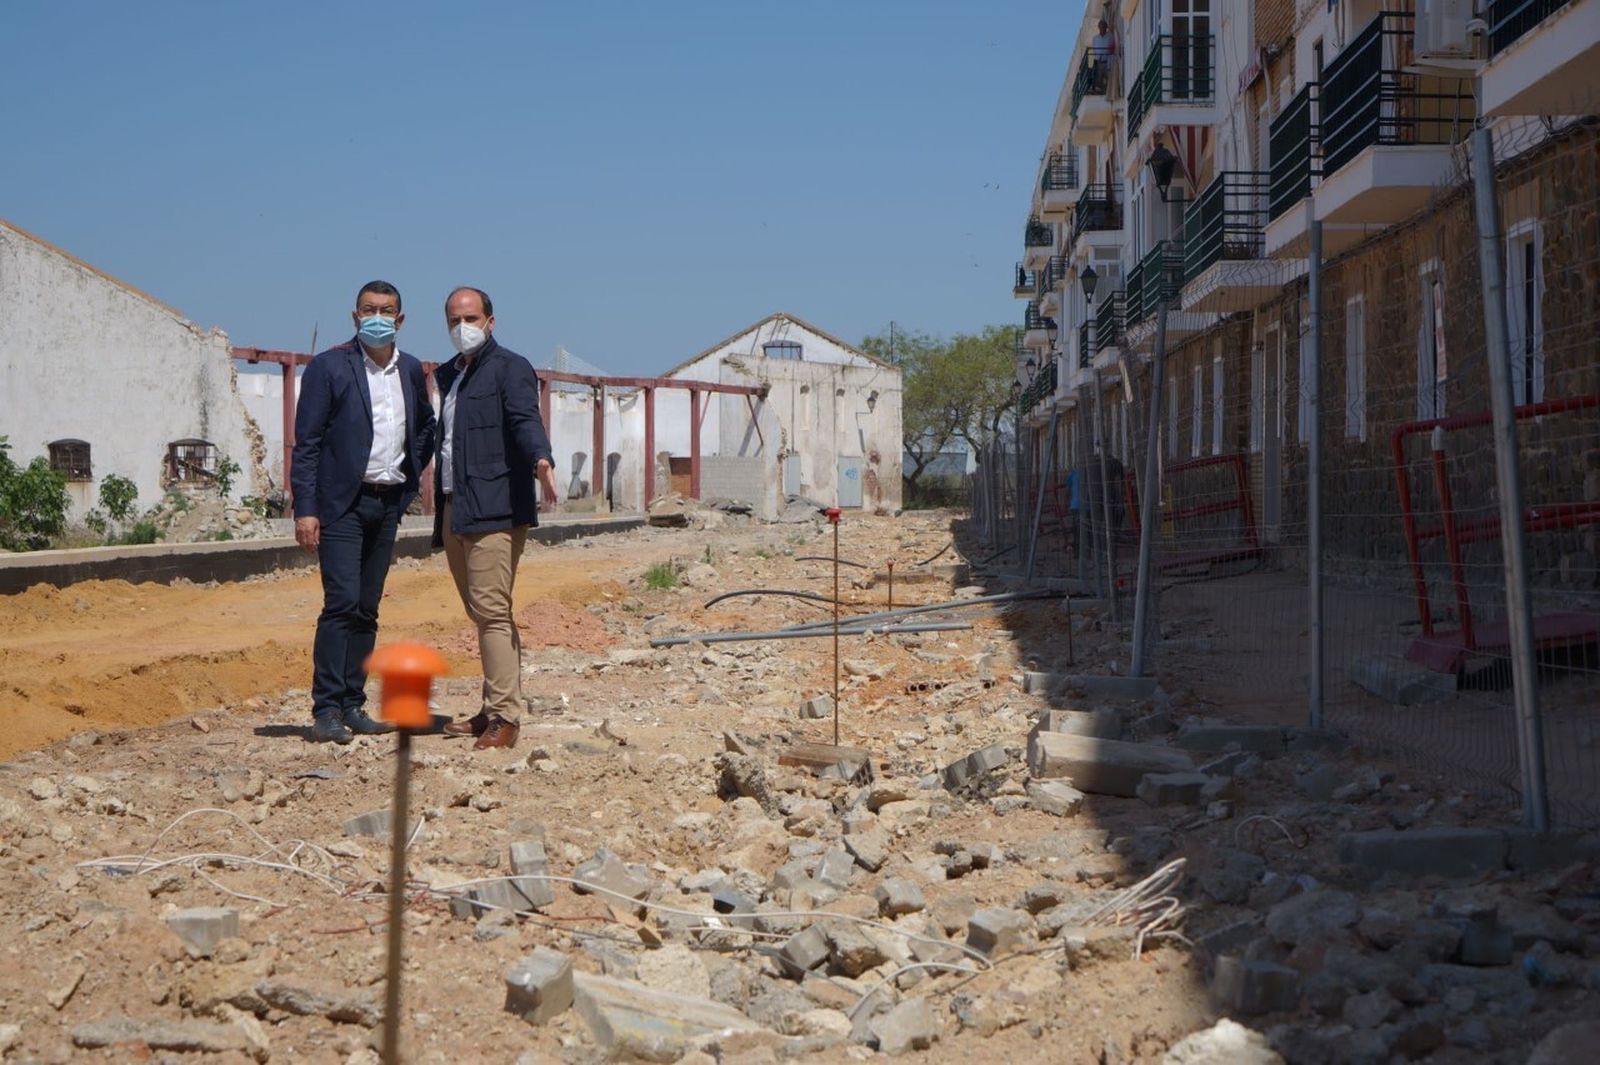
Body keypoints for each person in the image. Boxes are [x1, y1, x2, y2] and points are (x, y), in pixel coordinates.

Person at [292, 280, 437, 744]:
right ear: (355, 317)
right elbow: (307, 444)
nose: (378, 316)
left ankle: (353, 704)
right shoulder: (329, 368)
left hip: (388, 501)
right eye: (369, 309)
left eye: (387, 309)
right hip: (342, 505)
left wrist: (410, 473)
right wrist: (306, 509)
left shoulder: (411, 371)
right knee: (341, 605)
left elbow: (425, 427)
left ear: (401, 319)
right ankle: (326, 708)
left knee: (368, 609)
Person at [434, 287, 559, 751]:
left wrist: (540, 460)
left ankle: (505, 718)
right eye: (452, 319)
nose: (460, 327)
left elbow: (526, 420)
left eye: (469, 317)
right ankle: (493, 708)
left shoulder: (511, 368)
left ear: (490, 321)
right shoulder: (450, 375)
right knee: (484, 614)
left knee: (491, 612)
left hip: (496, 507)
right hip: (455, 505)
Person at [1090, 19, 1117, 91]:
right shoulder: (1095, 38)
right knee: (1098, 80)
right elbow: (1095, 50)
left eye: (1103, 27)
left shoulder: (1110, 36)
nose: (1102, 28)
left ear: (1106, 27)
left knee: (1109, 79)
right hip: (1098, 62)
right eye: (1100, 27)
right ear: (1098, 27)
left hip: (1107, 61)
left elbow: (1112, 48)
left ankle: (1110, 92)